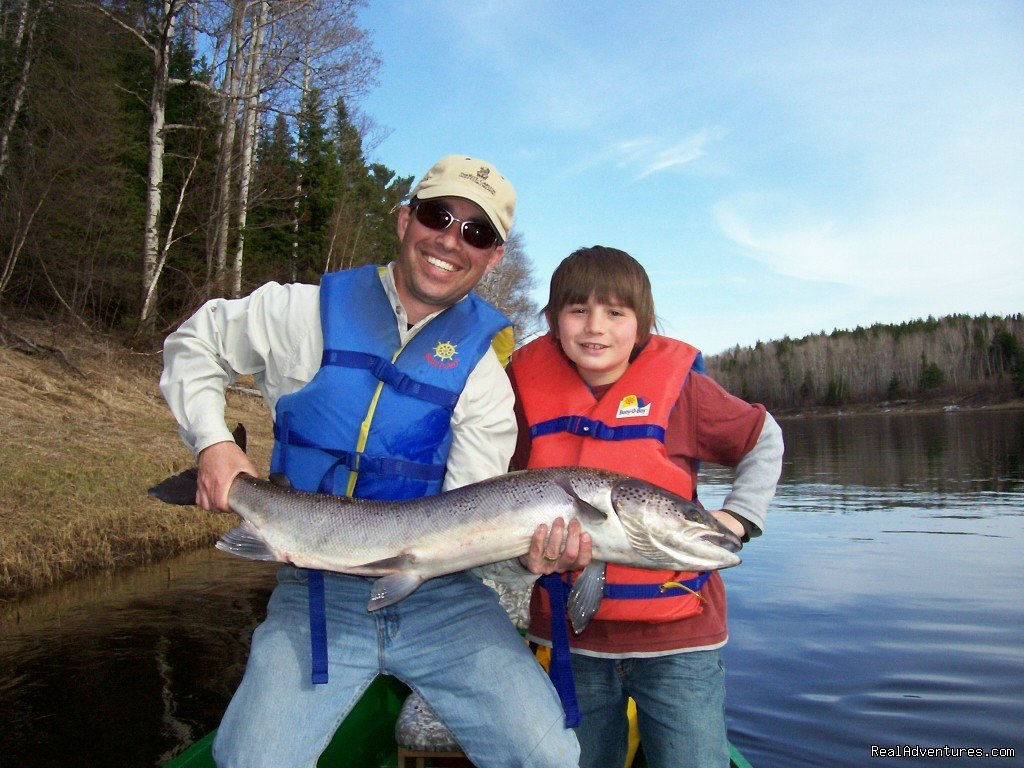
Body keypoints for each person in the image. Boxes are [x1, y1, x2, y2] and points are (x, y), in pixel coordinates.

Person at [159, 155, 581, 768]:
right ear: (406, 218)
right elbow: (196, 343)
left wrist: (526, 561)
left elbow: (476, 525)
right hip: (316, 596)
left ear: (492, 256)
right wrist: (213, 443)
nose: (450, 240)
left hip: (443, 600)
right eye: (438, 215)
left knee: (549, 758)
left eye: (476, 232)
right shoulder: (299, 312)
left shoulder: (485, 383)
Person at [507, 246, 784, 768]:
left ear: (642, 325)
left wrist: (740, 517)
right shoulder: (520, 393)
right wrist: (520, 561)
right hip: (572, 643)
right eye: (578, 310)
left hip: (678, 643)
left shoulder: (686, 393)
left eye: (615, 313)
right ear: (552, 322)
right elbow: (488, 493)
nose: (596, 328)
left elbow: (763, 438)